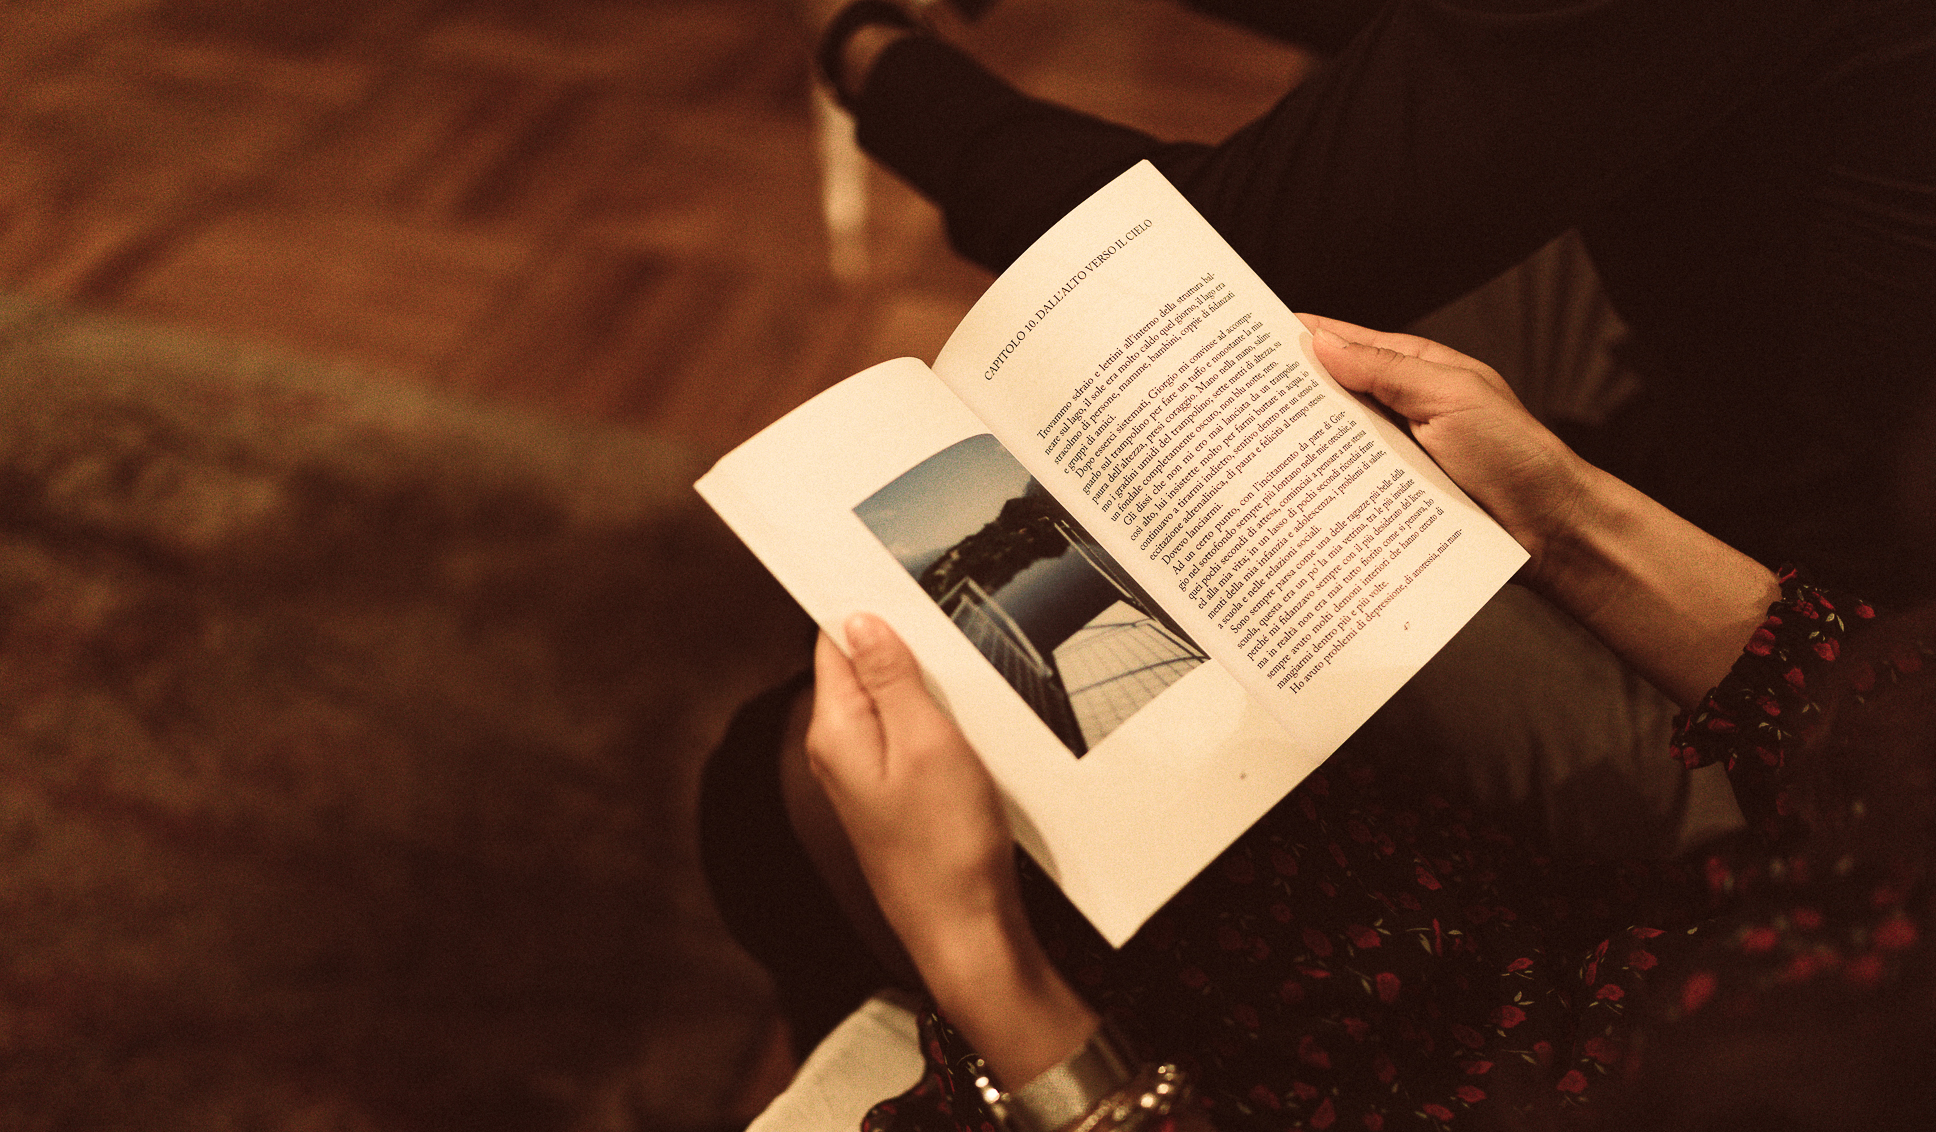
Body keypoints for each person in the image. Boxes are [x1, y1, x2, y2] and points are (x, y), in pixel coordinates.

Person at [779, 318, 1934, 1132]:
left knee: (793, 773)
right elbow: (1889, 742)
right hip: (1523, 959)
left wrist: (977, 955)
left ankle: (804, 1033)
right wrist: (1559, 510)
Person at [815, 0, 1936, 605]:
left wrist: (864, 49)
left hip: (1815, 612)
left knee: (777, 780)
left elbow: (1203, 254)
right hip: (1738, 394)